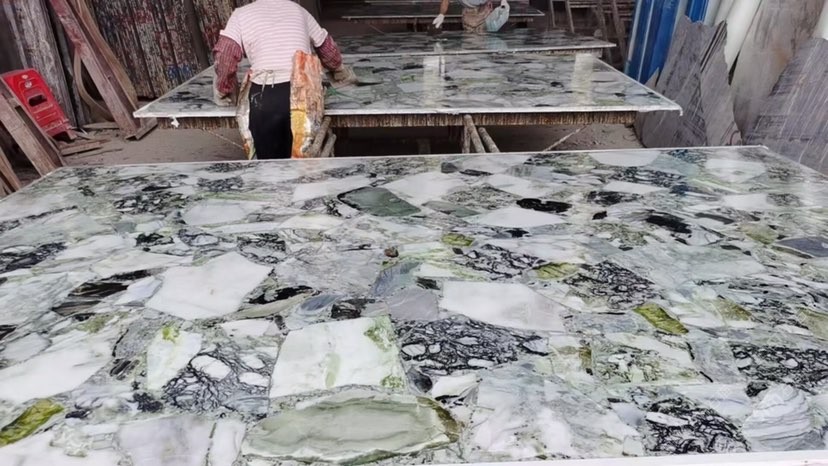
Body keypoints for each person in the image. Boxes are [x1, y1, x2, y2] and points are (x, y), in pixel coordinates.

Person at [213, 0, 355, 159]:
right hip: (304, 94)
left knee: (270, 162)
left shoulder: (241, 15)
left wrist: (222, 90)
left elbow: (225, 56)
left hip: (264, 97)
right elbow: (327, 49)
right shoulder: (299, 11)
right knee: (305, 158)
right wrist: (339, 70)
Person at [432, 0, 510, 33]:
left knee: (488, 35)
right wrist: (441, 14)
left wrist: (504, 1)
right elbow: (445, 1)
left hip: (485, 10)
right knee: (471, 38)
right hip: (469, 14)